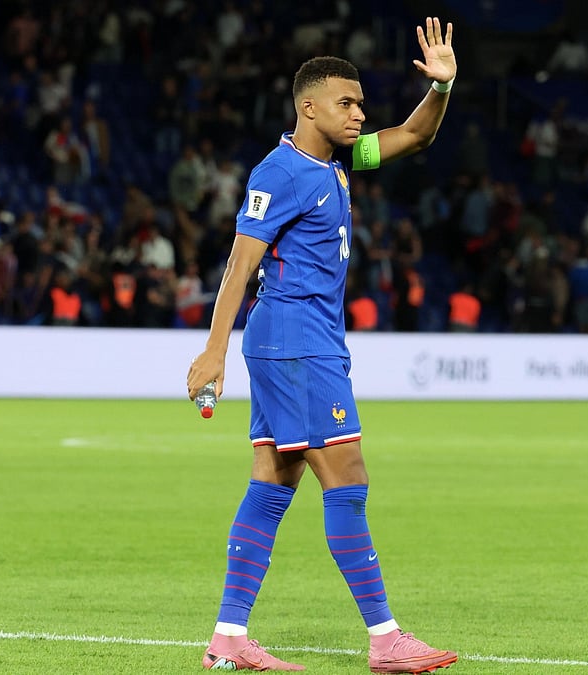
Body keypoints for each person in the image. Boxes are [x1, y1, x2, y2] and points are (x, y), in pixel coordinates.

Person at [185, 17, 459, 673]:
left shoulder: (337, 163)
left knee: (273, 482)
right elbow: (237, 264)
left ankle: (228, 637)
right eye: (347, 103)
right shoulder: (279, 172)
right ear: (308, 107)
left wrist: (443, 87)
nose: (360, 114)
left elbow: (417, 134)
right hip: (295, 341)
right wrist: (213, 350)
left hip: (303, 341)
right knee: (348, 478)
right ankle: (386, 637)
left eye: (361, 103)